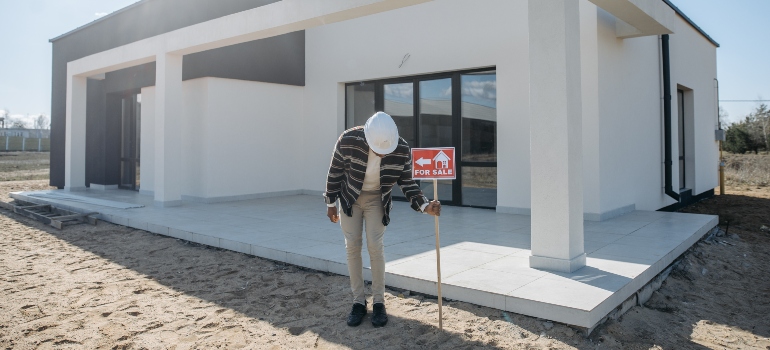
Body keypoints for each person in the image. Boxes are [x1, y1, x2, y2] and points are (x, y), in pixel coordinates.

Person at [324, 111, 441, 328]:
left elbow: (408, 183)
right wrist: (330, 202)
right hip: (350, 197)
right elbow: (335, 171)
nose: (381, 155)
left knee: (375, 246)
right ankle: (358, 302)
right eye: (377, 151)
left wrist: (425, 206)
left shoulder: (402, 149)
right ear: (367, 138)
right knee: (352, 247)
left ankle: (379, 302)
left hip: (378, 197)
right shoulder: (348, 139)